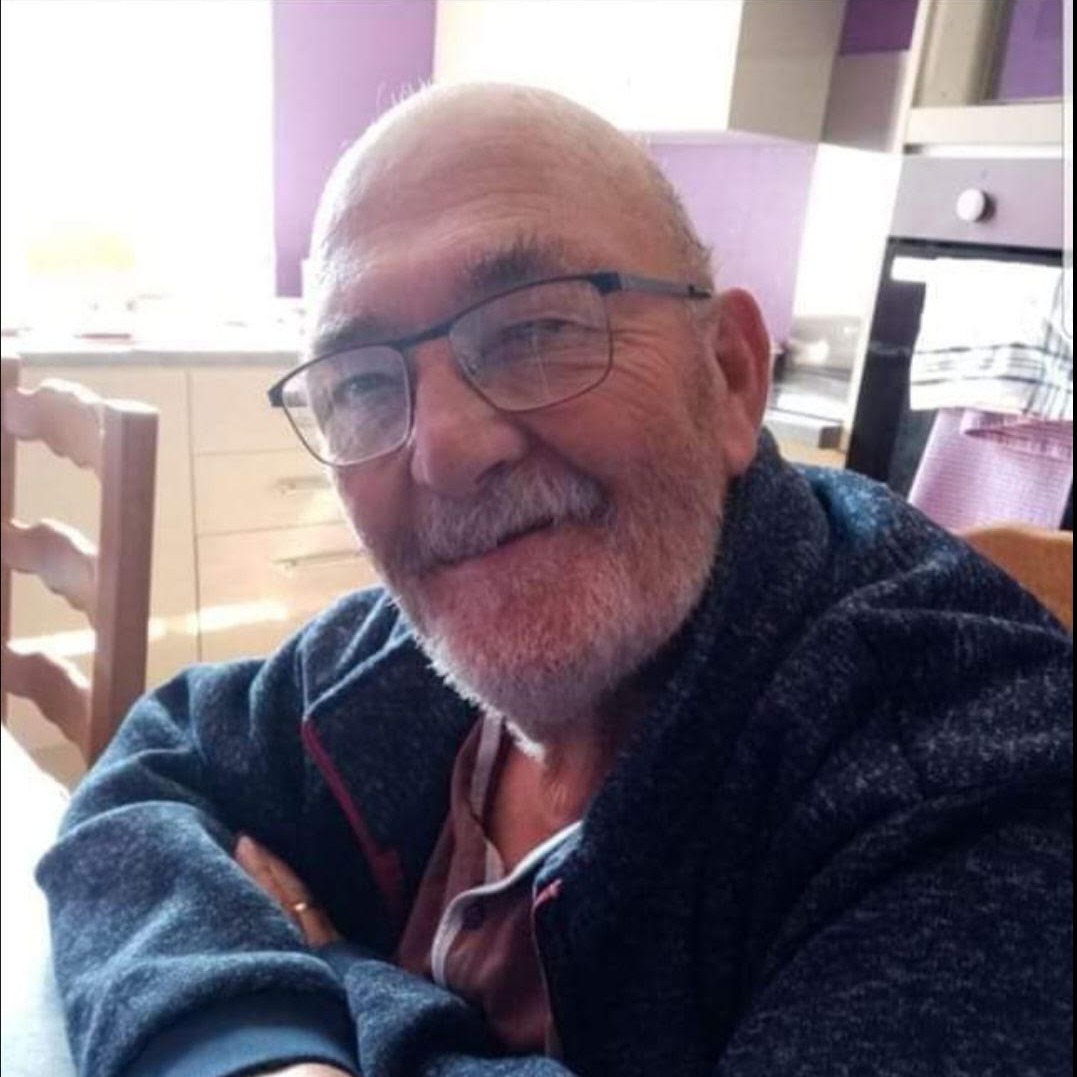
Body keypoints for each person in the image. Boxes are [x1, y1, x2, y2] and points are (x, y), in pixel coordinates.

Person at [39, 84, 1072, 1077]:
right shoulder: (385, 671)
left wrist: (331, 965)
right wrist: (245, 1041)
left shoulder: (975, 795)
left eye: (535, 331)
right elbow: (153, 769)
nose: (444, 451)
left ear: (728, 375)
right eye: (360, 383)